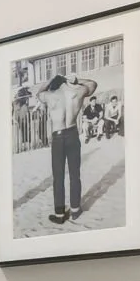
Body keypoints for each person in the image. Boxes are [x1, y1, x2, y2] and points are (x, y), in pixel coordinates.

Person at [32, 71, 97, 223]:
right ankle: (75, 210)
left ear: (54, 83)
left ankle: (60, 214)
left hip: (58, 137)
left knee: (58, 177)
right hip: (73, 134)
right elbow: (93, 85)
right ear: (66, 82)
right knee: (75, 174)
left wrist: (49, 80)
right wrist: (76, 80)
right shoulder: (77, 92)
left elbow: (38, 93)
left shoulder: (50, 95)